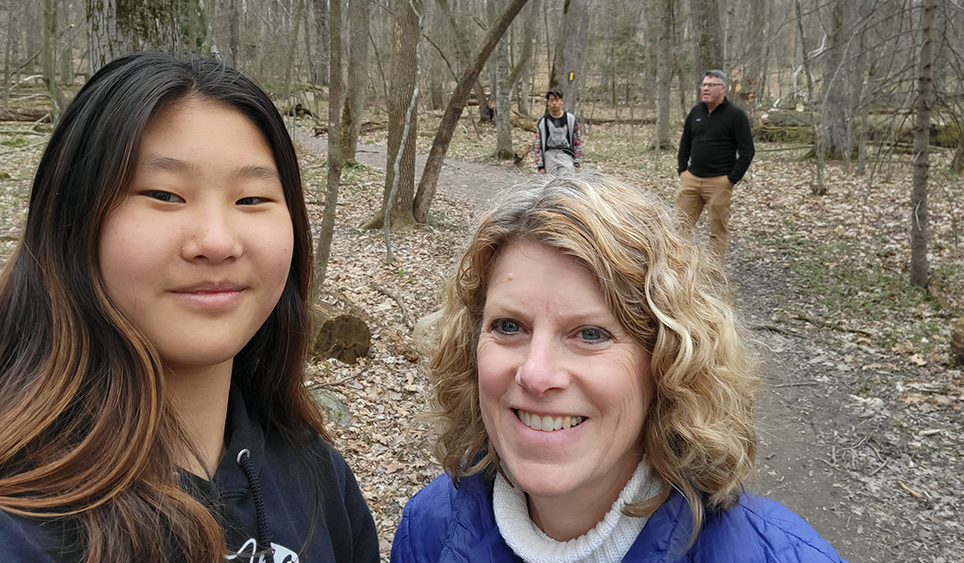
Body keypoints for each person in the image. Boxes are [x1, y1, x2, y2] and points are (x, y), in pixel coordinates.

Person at [0, 52, 379, 562]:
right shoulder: (22, 522)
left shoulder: (317, 480)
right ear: (70, 221)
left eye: (252, 200)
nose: (218, 241)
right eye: (164, 194)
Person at [391, 174, 845, 563]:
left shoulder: (779, 553)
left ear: (667, 362)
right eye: (509, 326)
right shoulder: (428, 533)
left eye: (590, 334)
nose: (536, 374)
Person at [675, 69, 755, 260]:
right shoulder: (696, 112)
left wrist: (731, 179)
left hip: (719, 182)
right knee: (679, 227)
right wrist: (682, 170)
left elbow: (747, 151)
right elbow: (685, 142)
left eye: (711, 85)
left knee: (717, 231)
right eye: (703, 85)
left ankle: (713, 273)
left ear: (723, 89)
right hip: (691, 180)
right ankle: (678, 266)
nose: (705, 89)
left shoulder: (736, 116)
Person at [533, 87, 582, 174]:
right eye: (551, 100)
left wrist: (577, 162)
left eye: (556, 100)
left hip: (566, 155)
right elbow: (538, 145)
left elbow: (577, 142)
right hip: (549, 156)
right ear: (548, 102)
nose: (554, 103)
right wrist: (540, 165)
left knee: (567, 182)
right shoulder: (543, 122)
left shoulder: (571, 119)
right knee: (551, 184)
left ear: (561, 101)